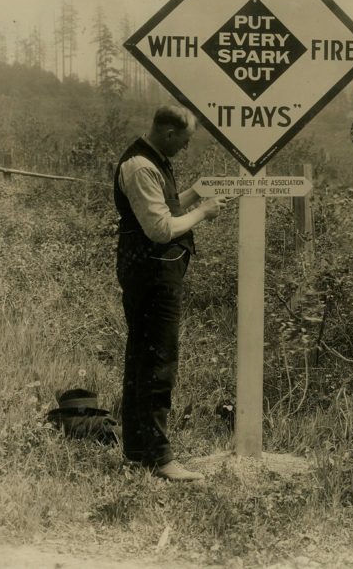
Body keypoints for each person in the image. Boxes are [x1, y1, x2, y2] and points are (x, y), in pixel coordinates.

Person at [113, 104, 224, 481]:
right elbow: (161, 229)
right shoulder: (142, 167)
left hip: (153, 272)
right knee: (158, 363)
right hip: (152, 274)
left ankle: (138, 449)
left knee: (143, 359)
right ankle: (161, 459)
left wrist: (198, 190)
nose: (186, 149)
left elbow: (168, 206)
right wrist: (205, 211)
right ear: (168, 132)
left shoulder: (152, 160)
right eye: (185, 141)